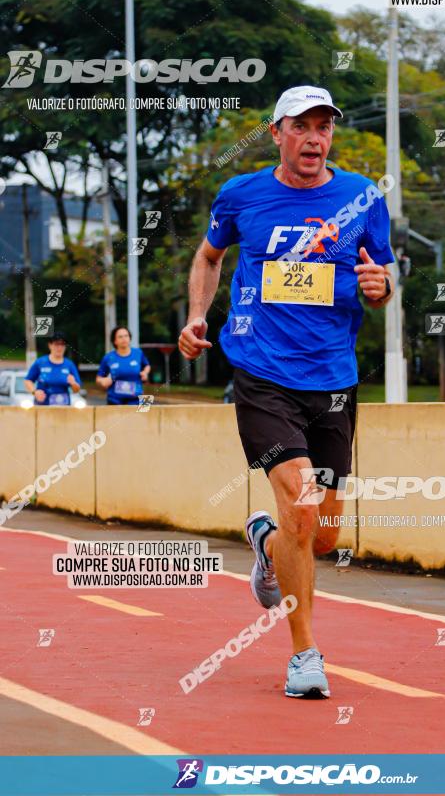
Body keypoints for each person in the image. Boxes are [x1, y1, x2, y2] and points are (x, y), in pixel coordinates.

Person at [178, 85, 395, 699]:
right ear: (276, 133)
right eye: (301, 126)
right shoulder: (241, 195)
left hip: (332, 378)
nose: (314, 138)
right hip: (261, 370)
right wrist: (199, 316)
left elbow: (382, 271)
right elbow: (209, 254)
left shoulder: (360, 196)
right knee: (300, 504)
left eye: (324, 127)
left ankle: (266, 545)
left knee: (322, 533)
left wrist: (382, 286)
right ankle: (304, 654)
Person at [96, 326, 151, 405]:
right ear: (115, 341)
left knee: (148, 414)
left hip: (138, 399)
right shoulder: (108, 357)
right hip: (115, 400)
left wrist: (145, 372)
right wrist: (102, 381)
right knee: (115, 417)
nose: (124, 339)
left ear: (129, 338)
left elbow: (147, 365)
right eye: (120, 337)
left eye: (126, 336)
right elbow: (98, 378)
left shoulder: (138, 353)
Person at [24, 331, 82, 406]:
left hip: (63, 408)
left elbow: (76, 389)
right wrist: (35, 392)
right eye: (56, 344)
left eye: (62, 345)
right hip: (43, 406)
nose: (59, 348)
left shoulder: (69, 365)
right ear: (50, 345)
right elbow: (28, 380)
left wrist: (73, 383)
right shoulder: (40, 362)